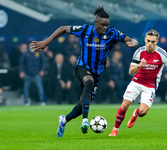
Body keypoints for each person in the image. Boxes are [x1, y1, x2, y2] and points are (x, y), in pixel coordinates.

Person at [30, 6, 138, 136]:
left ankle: (63, 120)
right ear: (96, 23)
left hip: (97, 72)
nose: (105, 27)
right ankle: (85, 121)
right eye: (103, 25)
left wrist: (132, 42)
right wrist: (46, 42)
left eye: (107, 25)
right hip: (82, 66)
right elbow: (63, 28)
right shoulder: (85, 30)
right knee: (88, 82)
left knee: (81, 106)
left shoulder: (112, 33)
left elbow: (131, 39)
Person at [109, 29, 167, 136]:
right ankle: (115, 130)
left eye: (153, 42)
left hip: (150, 86)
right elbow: (130, 71)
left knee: (142, 112)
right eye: (148, 41)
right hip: (136, 82)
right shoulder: (139, 52)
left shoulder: (162, 54)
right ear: (145, 39)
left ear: (157, 41)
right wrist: (139, 65)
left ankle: (136, 113)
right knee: (125, 104)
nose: (150, 44)